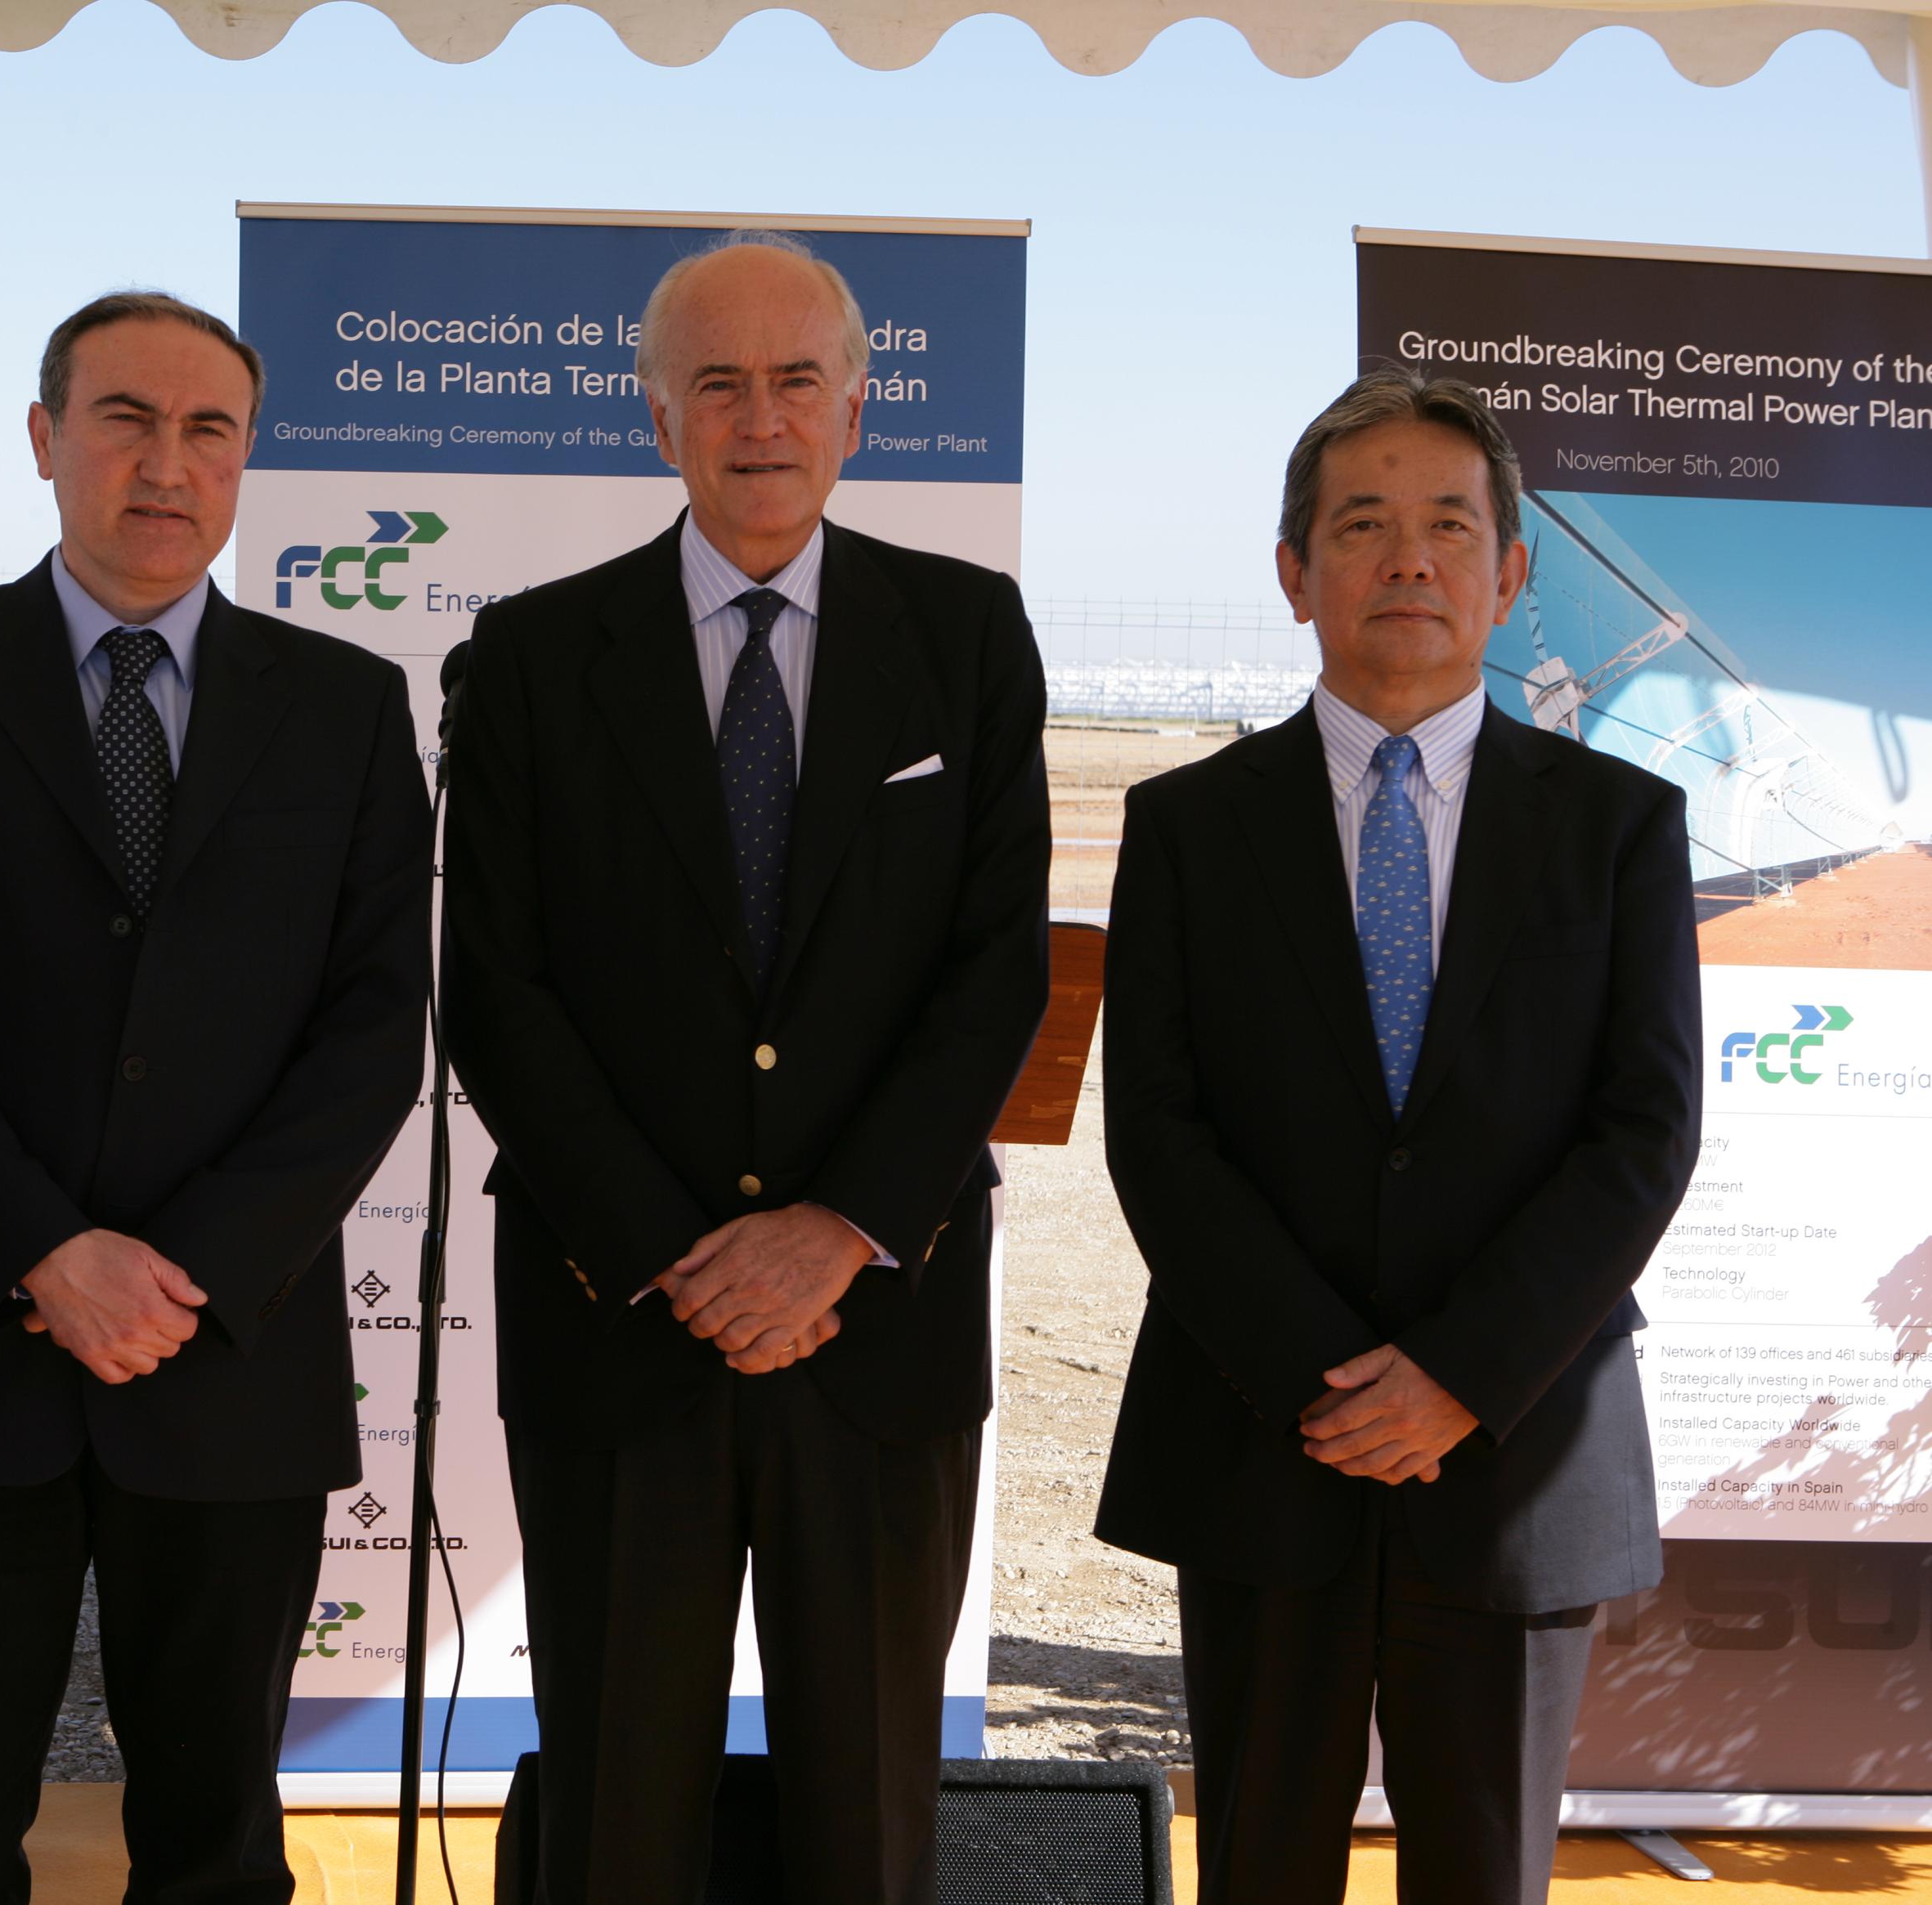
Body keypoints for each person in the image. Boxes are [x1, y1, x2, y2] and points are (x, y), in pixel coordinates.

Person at [440, 231, 1052, 1905]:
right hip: (617, 1319)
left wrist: (835, 1226)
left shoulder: (968, 636)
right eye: (719, 382)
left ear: (856, 411)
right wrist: (667, 1251)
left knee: (862, 1817)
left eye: (796, 381)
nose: (760, 417)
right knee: (615, 1816)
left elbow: (992, 968)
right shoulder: (530, 656)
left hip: (877, 1320)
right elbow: (494, 989)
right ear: (659, 421)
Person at [0, 289, 432, 1904]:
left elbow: (374, 1024)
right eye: (125, 420)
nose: (166, 463)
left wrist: (197, 1269)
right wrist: (42, 1246)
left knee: (219, 1843)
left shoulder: (348, 706)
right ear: (44, 440)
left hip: (227, 1358)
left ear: (244, 462)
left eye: (207, 428)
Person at [1094, 365, 1701, 1904]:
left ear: (1508, 574)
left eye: (1450, 524)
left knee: (1486, 1877)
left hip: (1514, 1453)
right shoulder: (1184, 828)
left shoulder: (1619, 829)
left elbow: (1644, 1132)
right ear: (1296, 573)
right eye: (1361, 524)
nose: (1408, 558)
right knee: (1258, 1866)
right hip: (1264, 1441)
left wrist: (1454, 1381)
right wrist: (1336, 1386)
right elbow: (1159, 1134)